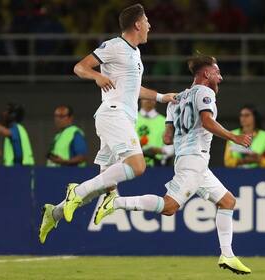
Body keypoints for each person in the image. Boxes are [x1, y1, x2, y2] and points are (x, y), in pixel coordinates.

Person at [93, 55, 252, 274]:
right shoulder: (205, 92)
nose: (220, 76)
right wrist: (234, 137)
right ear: (206, 74)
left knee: (227, 201)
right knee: (169, 208)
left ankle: (228, 255)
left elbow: (167, 138)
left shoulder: (176, 100)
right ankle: (116, 204)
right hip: (194, 160)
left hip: (189, 160)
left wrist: (183, 131)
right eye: (216, 72)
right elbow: (206, 121)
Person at [38, 4, 176, 243]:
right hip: (113, 115)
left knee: (105, 187)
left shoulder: (135, 53)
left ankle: (55, 212)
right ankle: (75, 191)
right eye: (147, 21)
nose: (150, 26)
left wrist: (163, 97)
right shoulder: (114, 45)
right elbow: (80, 67)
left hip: (121, 117)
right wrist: (97, 76)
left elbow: (134, 90)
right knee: (138, 166)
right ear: (137, 25)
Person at [136, 99, 174, 166]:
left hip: (156, 165)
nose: (149, 100)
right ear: (141, 99)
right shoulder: (132, 118)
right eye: (146, 97)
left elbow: (172, 145)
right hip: (134, 163)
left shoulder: (164, 121)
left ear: (156, 100)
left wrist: (161, 150)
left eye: (152, 98)